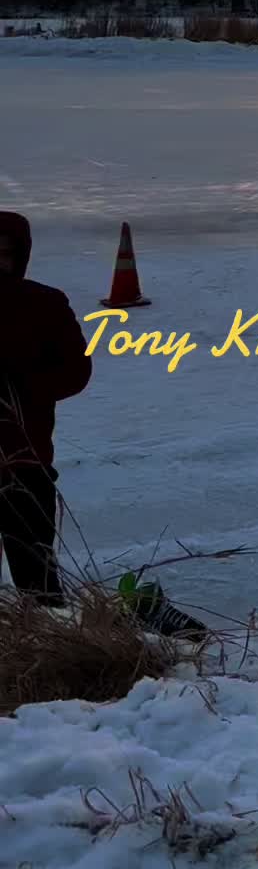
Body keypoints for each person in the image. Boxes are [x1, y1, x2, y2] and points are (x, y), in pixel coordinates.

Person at [0, 212, 92, 603]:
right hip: (27, 463)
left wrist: (22, 383)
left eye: (3, 253)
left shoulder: (44, 304)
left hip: (26, 464)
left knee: (38, 583)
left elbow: (76, 370)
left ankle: (46, 644)